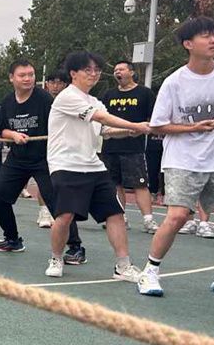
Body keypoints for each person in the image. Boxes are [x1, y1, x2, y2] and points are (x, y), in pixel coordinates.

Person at [137, 17, 214, 296]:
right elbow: (158, 125)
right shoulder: (174, 82)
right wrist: (193, 128)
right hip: (183, 159)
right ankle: (149, 272)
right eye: (206, 36)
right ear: (188, 44)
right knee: (178, 216)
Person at [44, 51, 150, 280]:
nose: (93, 74)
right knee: (65, 216)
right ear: (73, 73)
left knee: (115, 214)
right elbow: (101, 118)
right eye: (88, 70)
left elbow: (106, 129)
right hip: (66, 165)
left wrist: (130, 130)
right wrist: (136, 125)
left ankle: (123, 266)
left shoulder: (95, 102)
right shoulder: (67, 97)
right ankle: (56, 258)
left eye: (97, 71)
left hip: (94, 166)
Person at [0, 59, 85, 261]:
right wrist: (13, 135)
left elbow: (62, 125)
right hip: (17, 159)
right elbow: (3, 129)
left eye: (31, 74)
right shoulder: (7, 102)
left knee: (57, 203)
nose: (28, 79)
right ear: (11, 78)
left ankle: (75, 247)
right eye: (22, 75)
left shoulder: (45, 100)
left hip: (45, 159)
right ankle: (12, 239)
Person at [99, 60, 158, 234]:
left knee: (140, 184)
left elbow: (154, 118)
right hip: (110, 147)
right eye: (115, 70)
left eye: (121, 69)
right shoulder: (108, 95)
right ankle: (120, 217)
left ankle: (148, 220)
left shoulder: (144, 93)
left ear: (131, 72)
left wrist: (143, 129)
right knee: (114, 184)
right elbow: (102, 119)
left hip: (134, 148)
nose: (118, 72)